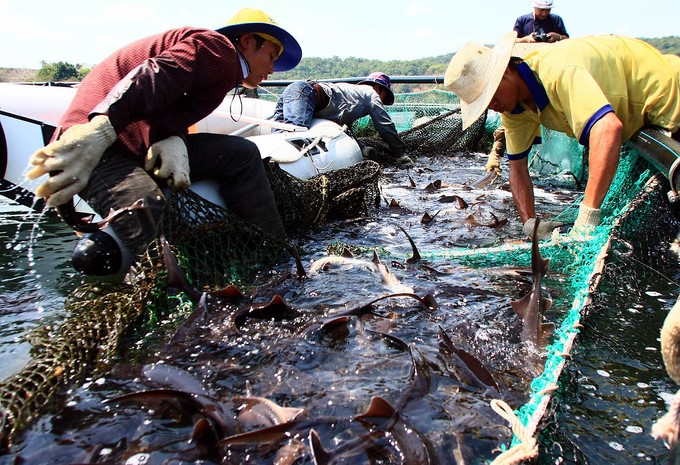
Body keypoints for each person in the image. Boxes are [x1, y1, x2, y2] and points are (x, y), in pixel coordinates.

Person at [25, 8, 302, 275]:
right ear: (247, 41)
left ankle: (275, 253)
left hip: (135, 146)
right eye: (271, 54)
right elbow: (155, 74)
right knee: (149, 210)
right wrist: (101, 129)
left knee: (242, 154)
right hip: (96, 146)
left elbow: (171, 102)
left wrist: (175, 137)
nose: (273, 68)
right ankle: (181, 290)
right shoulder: (218, 48)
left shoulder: (222, 66)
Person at [444, 31, 680, 239]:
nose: (491, 105)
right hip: (634, 114)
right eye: (483, 102)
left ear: (505, 70)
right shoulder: (513, 109)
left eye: (489, 94)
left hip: (668, 97)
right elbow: (517, 169)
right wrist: (530, 224)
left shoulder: (558, 72)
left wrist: (587, 215)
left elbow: (607, 130)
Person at [272, 73, 414, 167]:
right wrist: (400, 154)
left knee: (276, 141)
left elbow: (344, 129)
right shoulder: (371, 94)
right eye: (384, 96)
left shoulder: (352, 96)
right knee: (293, 138)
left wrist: (362, 148)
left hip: (297, 92)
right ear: (379, 88)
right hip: (305, 94)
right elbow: (385, 126)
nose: (382, 102)